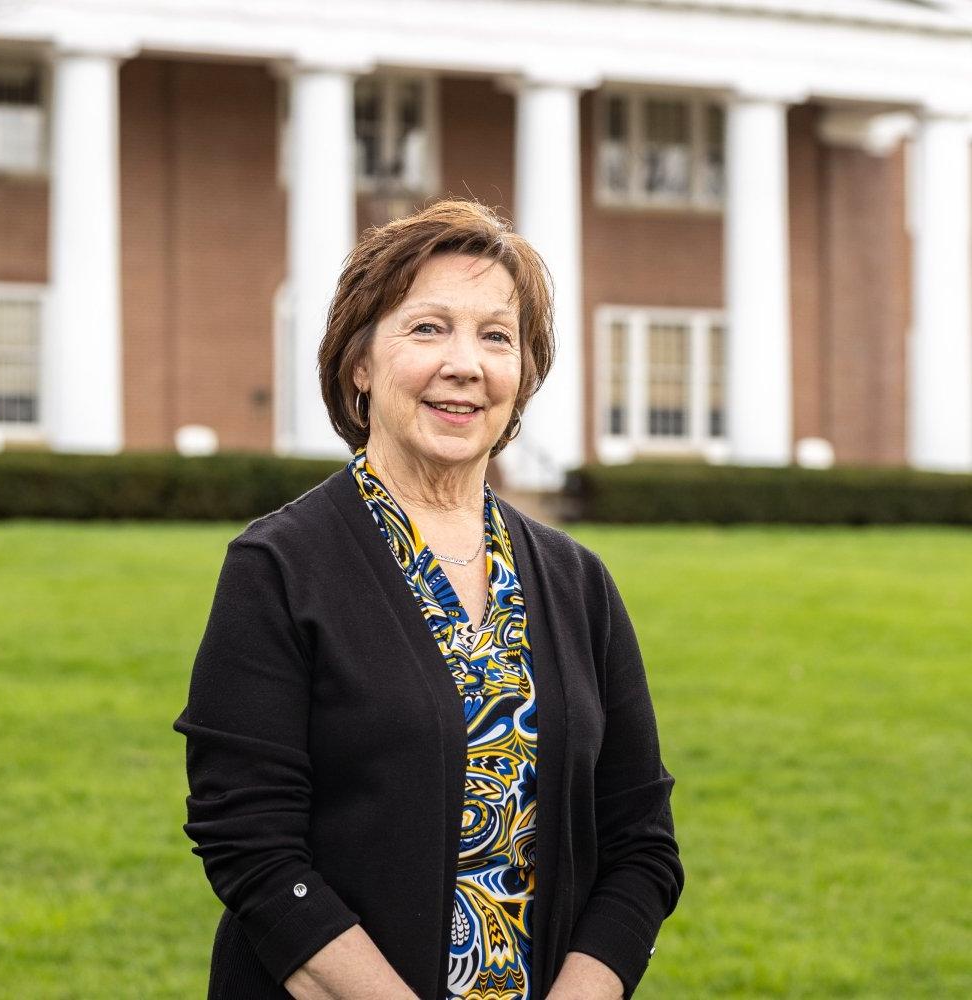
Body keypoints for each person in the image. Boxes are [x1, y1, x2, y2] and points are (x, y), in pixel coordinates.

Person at [174, 199, 683, 1000]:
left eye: (496, 336)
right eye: (427, 328)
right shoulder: (279, 568)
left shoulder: (579, 582)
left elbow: (642, 845)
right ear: (360, 364)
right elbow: (251, 844)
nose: (466, 364)